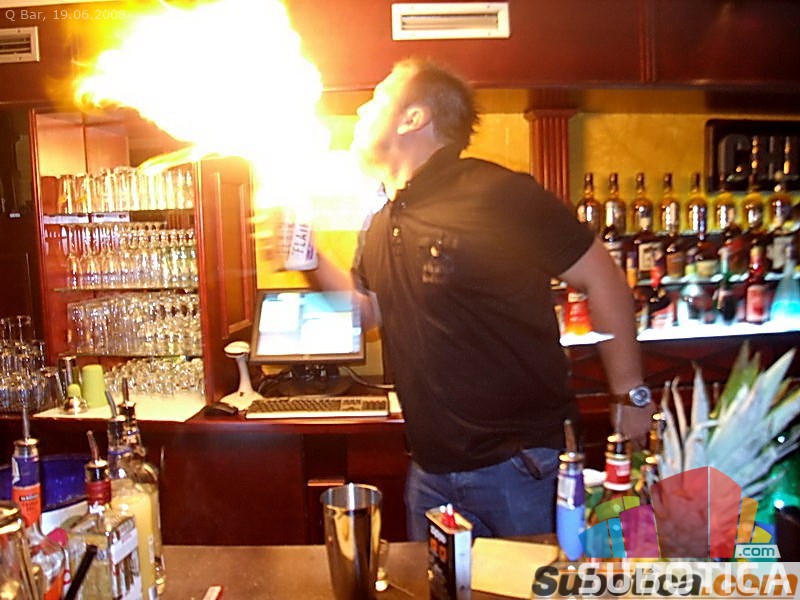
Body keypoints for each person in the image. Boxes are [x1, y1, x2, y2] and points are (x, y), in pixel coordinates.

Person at [309, 58, 654, 541]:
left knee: (532, 582)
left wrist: (631, 394)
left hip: (520, 466)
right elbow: (366, 314)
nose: (362, 110)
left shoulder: (498, 194)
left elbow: (604, 280)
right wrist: (310, 258)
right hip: (430, 471)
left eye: (378, 98)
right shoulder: (383, 221)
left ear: (414, 118)